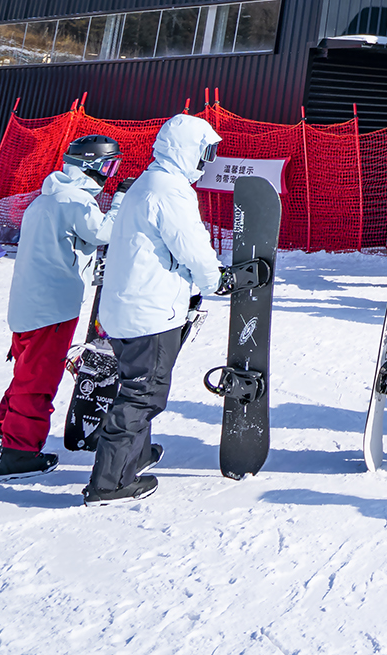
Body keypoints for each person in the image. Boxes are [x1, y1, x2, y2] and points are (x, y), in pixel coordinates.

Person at [85, 114, 223, 503]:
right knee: (143, 394)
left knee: (134, 384)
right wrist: (216, 281)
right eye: (204, 152)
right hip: (150, 312)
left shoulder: (149, 181)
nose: (206, 160)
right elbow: (190, 245)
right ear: (186, 150)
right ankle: (109, 483)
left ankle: (136, 455)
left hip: (128, 308)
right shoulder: (169, 190)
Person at [0, 134, 118, 480]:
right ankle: (18, 454)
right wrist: (121, 201)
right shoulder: (75, 201)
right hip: (52, 307)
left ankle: (7, 435)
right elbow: (106, 232)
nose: (110, 174)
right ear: (91, 167)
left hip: (29, 304)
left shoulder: (47, 198)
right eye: (108, 166)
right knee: (39, 379)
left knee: (26, 372)